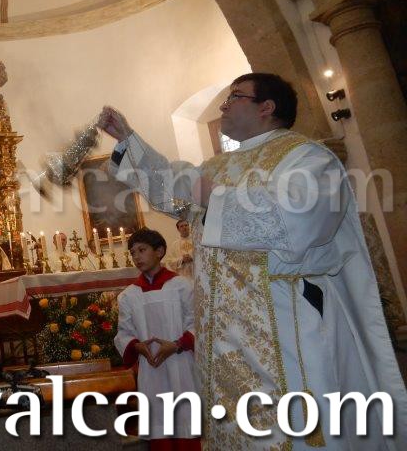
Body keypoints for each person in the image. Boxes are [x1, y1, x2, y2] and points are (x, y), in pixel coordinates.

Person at [99, 73, 406, 449]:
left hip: (284, 319)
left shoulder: (306, 157)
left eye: (235, 97)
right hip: (223, 333)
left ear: (267, 107)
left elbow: (300, 220)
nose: (225, 105)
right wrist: (129, 140)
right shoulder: (215, 167)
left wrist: (213, 195)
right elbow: (171, 191)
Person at [115, 228, 200, 449]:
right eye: (133, 253)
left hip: (181, 362)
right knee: (158, 424)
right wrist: (137, 346)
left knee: (185, 420)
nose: (136, 257)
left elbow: (198, 322)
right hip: (151, 368)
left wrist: (177, 345)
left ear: (159, 251)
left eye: (142, 250)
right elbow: (124, 333)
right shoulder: (128, 295)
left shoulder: (182, 286)